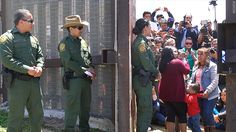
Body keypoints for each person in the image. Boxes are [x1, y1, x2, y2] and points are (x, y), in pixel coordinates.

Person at [0, 9, 44, 131]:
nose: (33, 23)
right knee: (16, 117)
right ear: (21, 22)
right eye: (31, 21)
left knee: (37, 115)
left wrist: (40, 66)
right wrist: (27, 69)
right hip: (17, 83)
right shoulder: (7, 38)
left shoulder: (33, 39)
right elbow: (7, 60)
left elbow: (40, 56)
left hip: (34, 83)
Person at [58, 15, 95, 132]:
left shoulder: (83, 42)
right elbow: (67, 62)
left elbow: (88, 58)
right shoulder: (65, 43)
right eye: (78, 27)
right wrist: (85, 70)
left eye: (81, 27)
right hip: (74, 80)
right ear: (71, 29)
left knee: (85, 108)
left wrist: (92, 69)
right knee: (72, 109)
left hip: (85, 80)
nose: (81, 29)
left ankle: (85, 129)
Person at [132, 18, 158, 132]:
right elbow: (146, 63)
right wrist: (156, 72)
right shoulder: (141, 43)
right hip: (142, 79)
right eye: (149, 26)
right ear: (145, 28)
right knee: (145, 109)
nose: (151, 29)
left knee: (146, 108)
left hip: (144, 80)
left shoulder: (143, 41)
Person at [158, 47, 190, 132]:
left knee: (170, 115)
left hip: (165, 94)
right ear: (171, 54)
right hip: (177, 94)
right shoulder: (177, 62)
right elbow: (187, 70)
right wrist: (185, 61)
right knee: (182, 115)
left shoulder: (162, 63)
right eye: (174, 51)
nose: (176, 53)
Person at [189, 47, 220, 132]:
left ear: (207, 55)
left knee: (207, 113)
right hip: (198, 94)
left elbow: (215, 80)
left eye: (201, 54)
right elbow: (192, 79)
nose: (199, 56)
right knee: (202, 114)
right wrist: (189, 87)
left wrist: (208, 90)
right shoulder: (196, 65)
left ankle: (212, 130)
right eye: (198, 54)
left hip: (210, 95)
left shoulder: (213, 66)